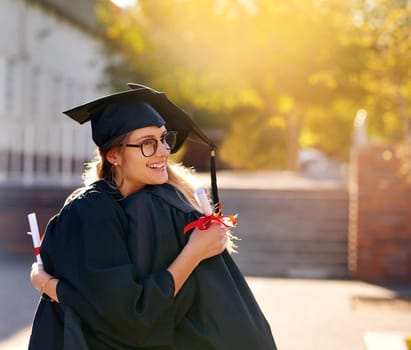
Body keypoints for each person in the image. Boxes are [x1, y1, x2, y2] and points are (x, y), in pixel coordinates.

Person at [29, 84, 277, 349]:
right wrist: (194, 251)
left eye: (163, 139)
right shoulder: (92, 210)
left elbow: (126, 315)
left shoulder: (161, 204)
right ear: (114, 155)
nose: (163, 151)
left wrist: (48, 285)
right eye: (148, 143)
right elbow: (132, 317)